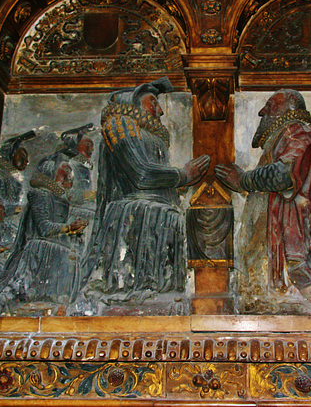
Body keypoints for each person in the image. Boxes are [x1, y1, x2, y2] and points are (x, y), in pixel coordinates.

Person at [72, 78, 210, 313]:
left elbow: (151, 177)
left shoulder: (148, 133)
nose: (160, 111)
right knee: (135, 288)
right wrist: (182, 175)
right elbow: (141, 174)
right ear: (132, 103)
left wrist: (177, 186)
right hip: (135, 214)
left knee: (159, 289)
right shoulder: (121, 124)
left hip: (157, 213)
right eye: (152, 102)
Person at [215, 89, 311, 315]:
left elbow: (284, 174)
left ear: (290, 106)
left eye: (270, 105)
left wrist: (243, 180)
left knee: (299, 283)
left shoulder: (298, 131)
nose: (263, 112)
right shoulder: (281, 137)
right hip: (271, 229)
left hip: (285, 229)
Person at [0, 156, 88, 316]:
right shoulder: (40, 195)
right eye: (63, 174)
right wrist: (69, 228)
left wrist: (74, 231)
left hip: (57, 254)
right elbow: (44, 228)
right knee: (20, 296)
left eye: (69, 175)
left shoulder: (62, 201)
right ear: (51, 174)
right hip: (38, 252)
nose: (67, 179)